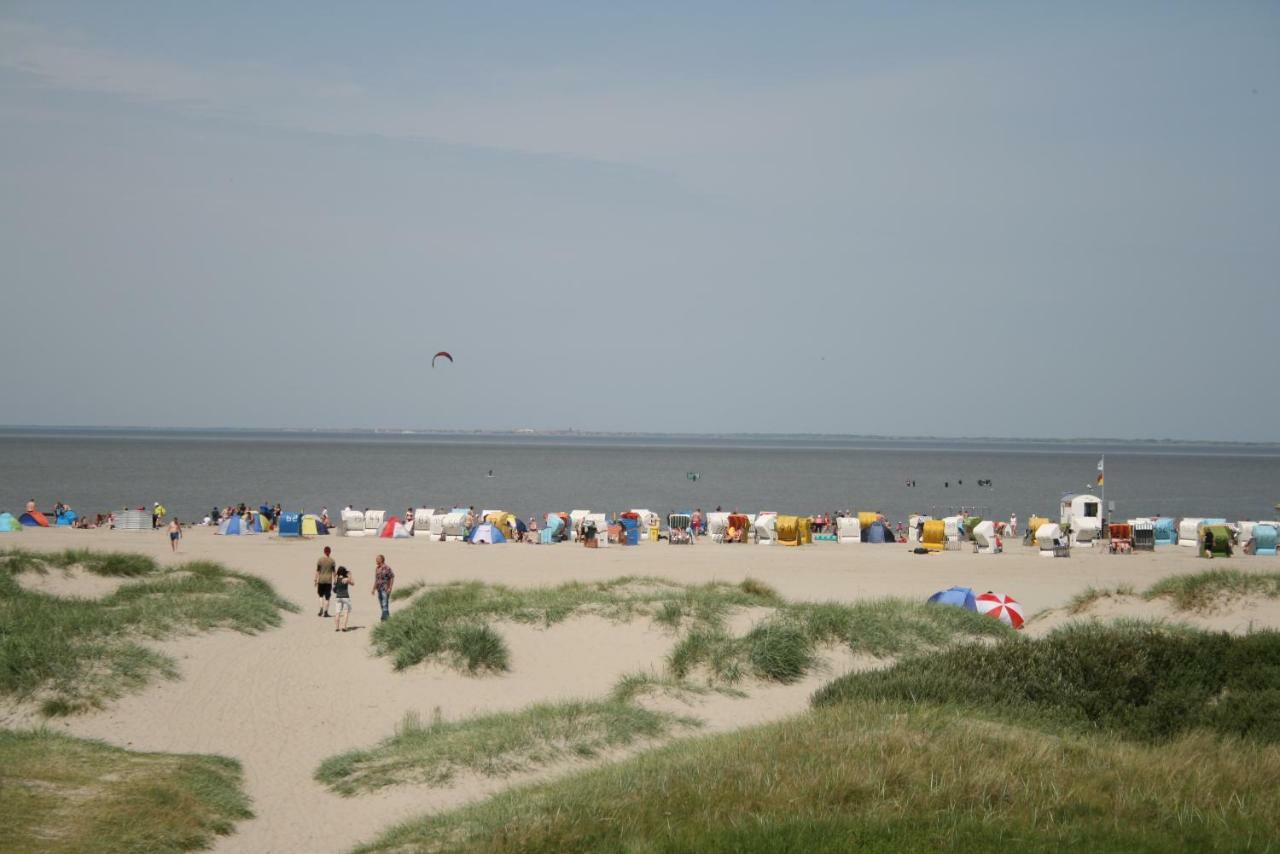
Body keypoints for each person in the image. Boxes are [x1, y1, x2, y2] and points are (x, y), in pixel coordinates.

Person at [371, 554, 394, 621]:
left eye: (377, 559)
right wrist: (373, 589)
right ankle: (388, 618)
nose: (376, 560)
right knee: (382, 604)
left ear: (381, 560)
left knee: (385, 603)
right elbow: (376, 579)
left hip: (385, 588)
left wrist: (390, 588)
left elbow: (392, 577)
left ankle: (383, 618)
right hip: (379, 589)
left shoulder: (387, 568)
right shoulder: (377, 568)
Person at [315, 546, 336, 617]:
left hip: (321, 580)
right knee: (327, 597)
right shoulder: (332, 561)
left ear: (324, 551)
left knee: (320, 596)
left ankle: (321, 608)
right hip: (328, 581)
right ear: (330, 552)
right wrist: (335, 580)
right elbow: (334, 572)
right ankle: (326, 612)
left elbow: (317, 571)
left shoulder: (320, 560)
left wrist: (315, 579)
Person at [333, 566, 353, 632]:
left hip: (338, 597)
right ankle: (344, 627)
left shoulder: (336, 579)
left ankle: (336, 627)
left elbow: (334, 584)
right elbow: (352, 583)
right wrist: (350, 576)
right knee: (346, 612)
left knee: (337, 612)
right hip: (345, 596)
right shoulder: (346, 579)